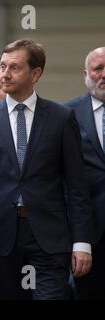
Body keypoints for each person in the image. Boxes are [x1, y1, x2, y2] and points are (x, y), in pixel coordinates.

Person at [0, 39, 93, 300]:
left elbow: (76, 185)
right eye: (2, 66)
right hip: (0, 238)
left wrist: (82, 242)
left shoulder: (61, 118)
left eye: (14, 67)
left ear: (36, 74)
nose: (5, 74)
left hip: (49, 236)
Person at [64, 46, 105, 300]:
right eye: (98, 69)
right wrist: (78, 241)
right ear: (86, 75)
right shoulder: (66, 115)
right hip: (91, 235)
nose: (104, 75)